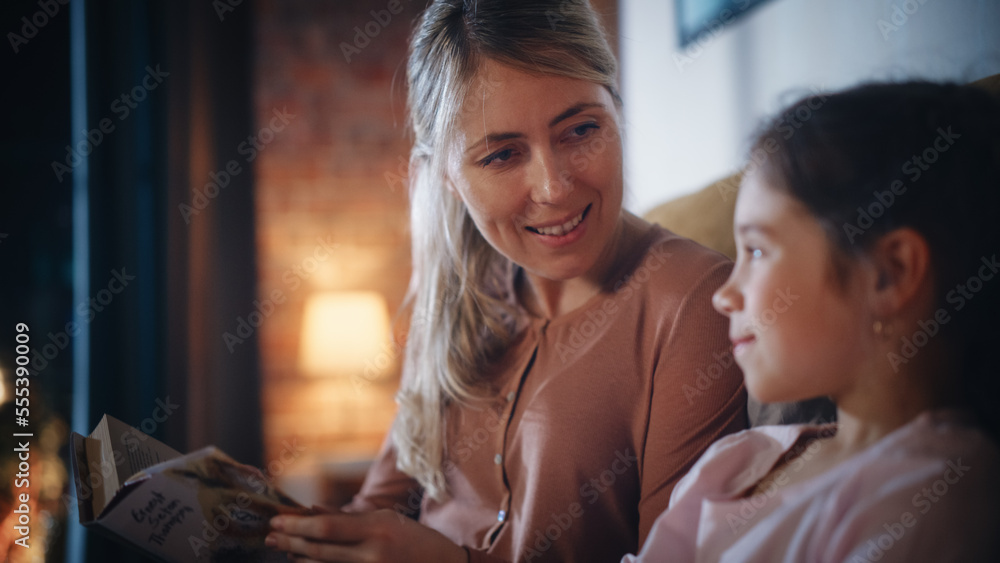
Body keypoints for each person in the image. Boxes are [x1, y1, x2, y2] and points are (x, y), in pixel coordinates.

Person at [264, 0, 747, 561]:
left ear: (616, 108)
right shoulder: (453, 293)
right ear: (445, 174)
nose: (554, 187)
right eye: (501, 155)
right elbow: (381, 508)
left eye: (581, 129)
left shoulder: (695, 303)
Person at [624, 81, 1000, 562]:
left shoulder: (936, 492)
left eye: (757, 250)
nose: (723, 295)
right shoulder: (735, 460)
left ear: (890, 275)